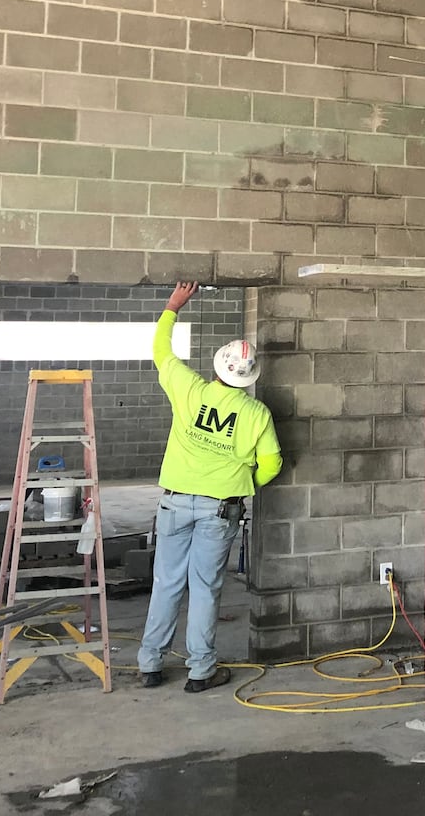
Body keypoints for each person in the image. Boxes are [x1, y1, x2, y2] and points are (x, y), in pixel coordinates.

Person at [137, 282, 283, 693]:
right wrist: (241, 482)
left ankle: (150, 665)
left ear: (217, 366)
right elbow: (273, 463)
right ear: (250, 377)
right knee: (204, 588)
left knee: (166, 584)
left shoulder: (190, 389)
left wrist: (172, 306)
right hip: (222, 509)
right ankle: (200, 672)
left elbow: (162, 353)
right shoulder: (257, 413)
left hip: (175, 504)